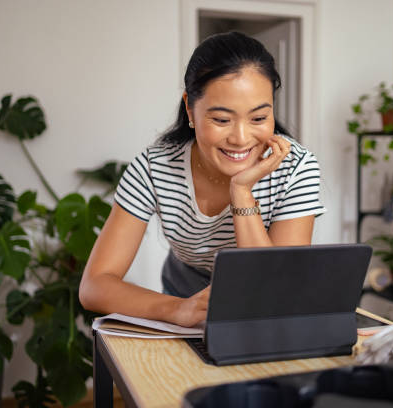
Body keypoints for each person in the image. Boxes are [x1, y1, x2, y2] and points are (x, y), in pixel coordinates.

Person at [79, 31, 325, 327]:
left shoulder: (296, 167)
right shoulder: (154, 167)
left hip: (266, 310)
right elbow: (94, 286)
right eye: (221, 120)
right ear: (190, 109)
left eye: (258, 118)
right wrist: (178, 309)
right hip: (183, 296)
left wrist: (242, 191)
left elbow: (270, 291)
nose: (241, 138)